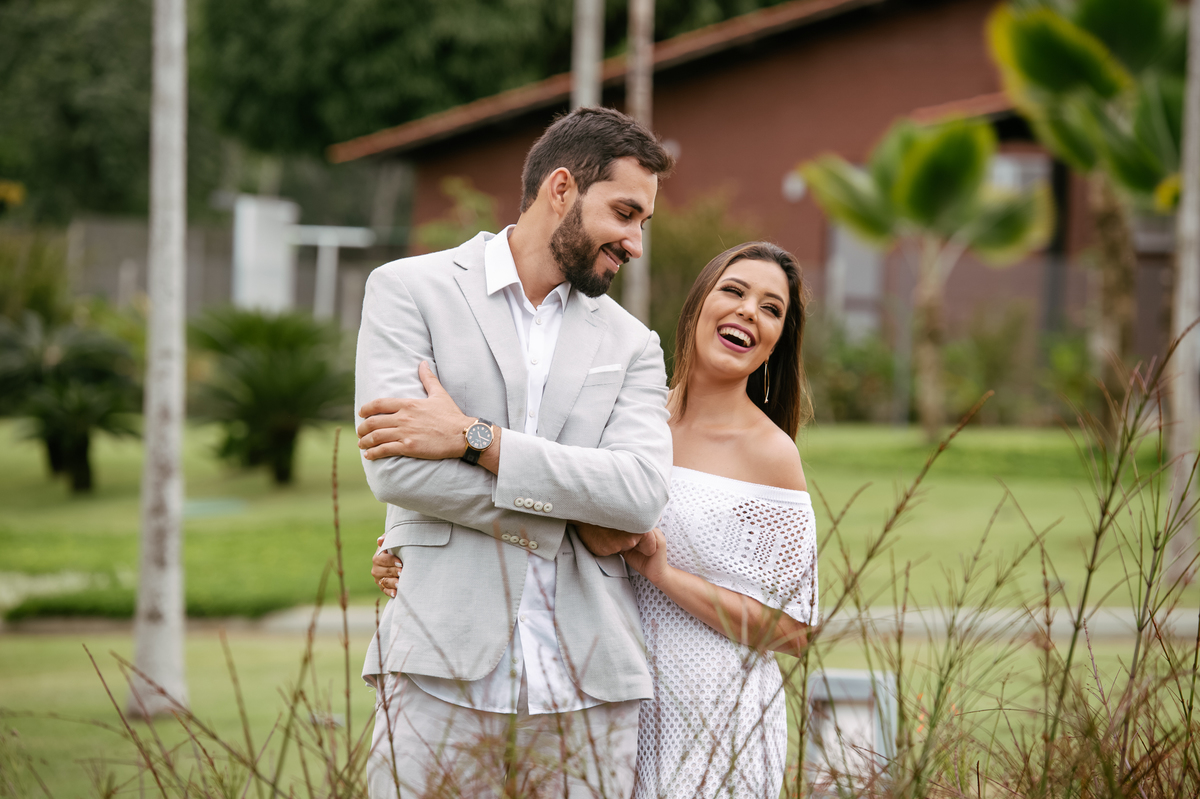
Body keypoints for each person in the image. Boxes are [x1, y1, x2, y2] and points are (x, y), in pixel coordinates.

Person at [373, 241, 819, 798]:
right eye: (734, 290)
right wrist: (416, 544)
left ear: (779, 340)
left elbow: (792, 629)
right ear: (698, 304)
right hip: (606, 698)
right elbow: (539, 487)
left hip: (714, 714)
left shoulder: (771, 454)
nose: (749, 311)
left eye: (771, 308)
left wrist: (662, 575)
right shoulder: (626, 415)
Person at [354, 106, 676, 798]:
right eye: (625, 213)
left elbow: (641, 493)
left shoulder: (633, 345)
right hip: (436, 668)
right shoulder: (409, 291)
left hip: (589, 686)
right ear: (562, 188)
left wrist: (476, 439)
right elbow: (397, 466)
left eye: (643, 223)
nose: (635, 243)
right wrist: (576, 520)